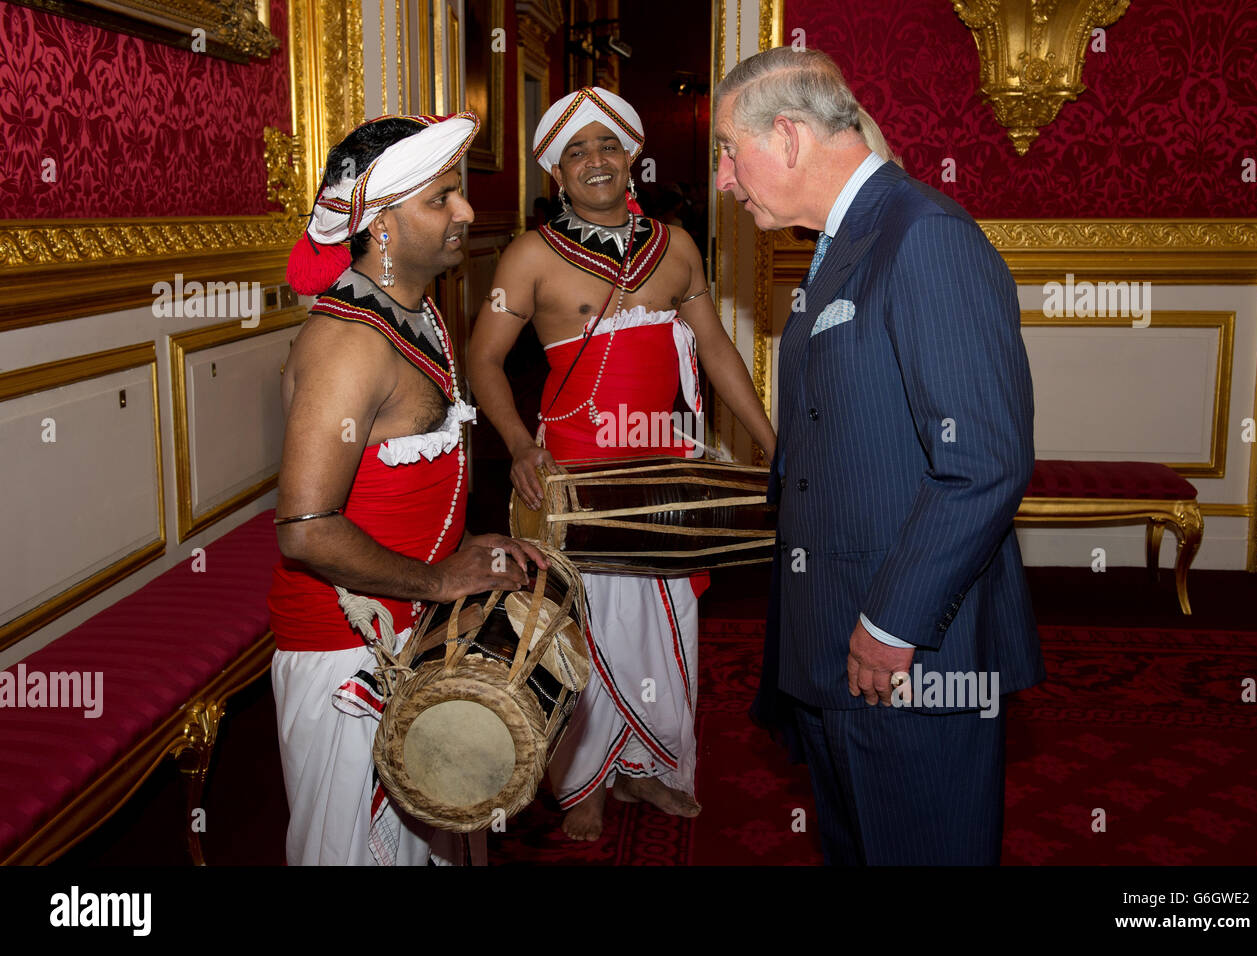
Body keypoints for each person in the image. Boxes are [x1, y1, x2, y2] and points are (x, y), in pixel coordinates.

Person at [714, 47, 1044, 865]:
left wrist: (889, 623)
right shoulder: (847, 239)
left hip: (908, 656)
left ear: (786, 138)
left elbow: (984, 463)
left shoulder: (924, 237)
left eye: (729, 149)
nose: (724, 178)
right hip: (839, 645)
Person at [467, 87, 776, 841]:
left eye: (608, 145)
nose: (596, 161)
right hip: (575, 484)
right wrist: (518, 444)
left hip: (666, 481)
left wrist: (773, 443)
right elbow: (482, 361)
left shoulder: (676, 247)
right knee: (584, 632)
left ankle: (650, 766)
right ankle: (583, 786)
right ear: (556, 174)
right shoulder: (530, 255)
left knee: (671, 625)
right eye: (577, 151)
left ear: (633, 156)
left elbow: (717, 350)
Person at [269, 112, 547, 865]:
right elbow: (305, 528)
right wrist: (439, 576)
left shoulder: (416, 312)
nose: (466, 213)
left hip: (409, 620)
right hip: (344, 643)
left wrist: (466, 550)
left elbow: (404, 485)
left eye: (458, 194)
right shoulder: (348, 344)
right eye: (441, 200)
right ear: (380, 223)